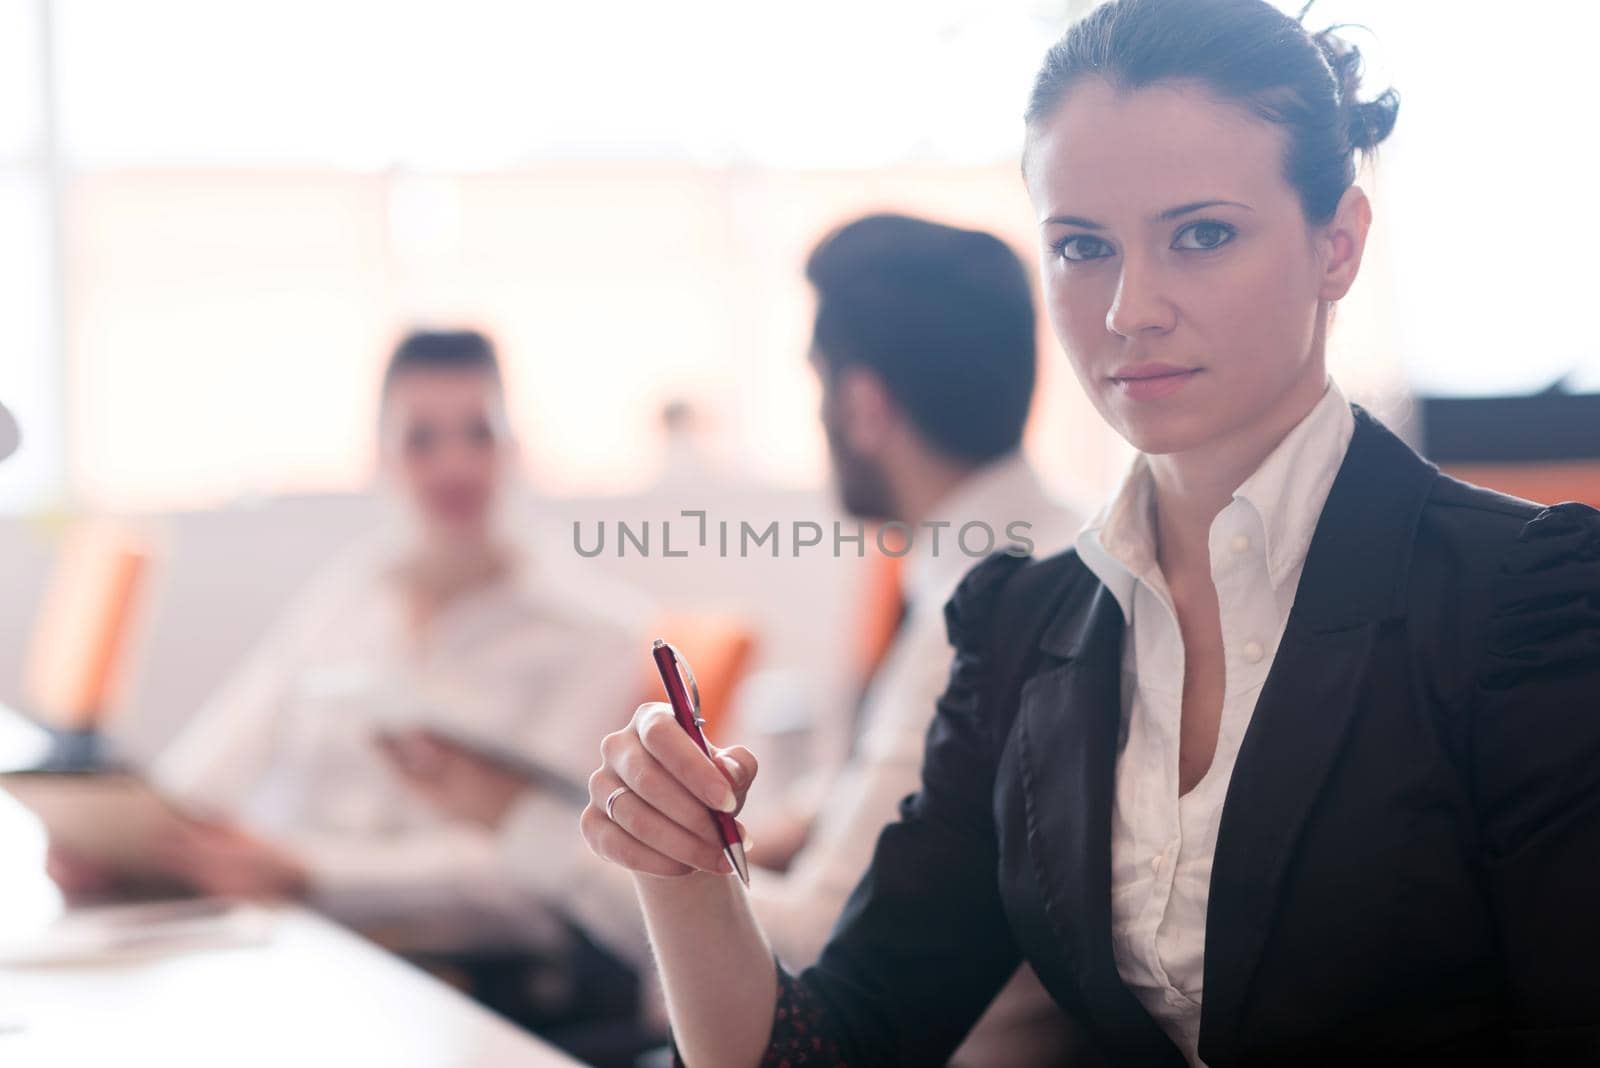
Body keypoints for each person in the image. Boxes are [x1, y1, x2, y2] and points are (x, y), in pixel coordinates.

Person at [579, 2, 1600, 1065]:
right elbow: (822, 1049)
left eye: (1200, 235)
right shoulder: (1023, 632)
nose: (1129, 309)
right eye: (1081, 247)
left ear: (1335, 245)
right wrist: (678, 864)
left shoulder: (1523, 601)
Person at [388, 214, 1088, 1064]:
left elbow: (822, 953)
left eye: (816, 383)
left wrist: (524, 821)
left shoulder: (987, 608)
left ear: (862, 403)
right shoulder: (1010, 556)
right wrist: (804, 820)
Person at [49, 330, 649, 961]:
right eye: (421, 439)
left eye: (479, 433)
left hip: (468, 976)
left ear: (515, 448)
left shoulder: (594, 638)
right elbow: (218, 761)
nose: (454, 465)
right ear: (383, 456)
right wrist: (127, 841)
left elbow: (549, 867)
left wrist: (309, 872)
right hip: (298, 941)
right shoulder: (346, 601)